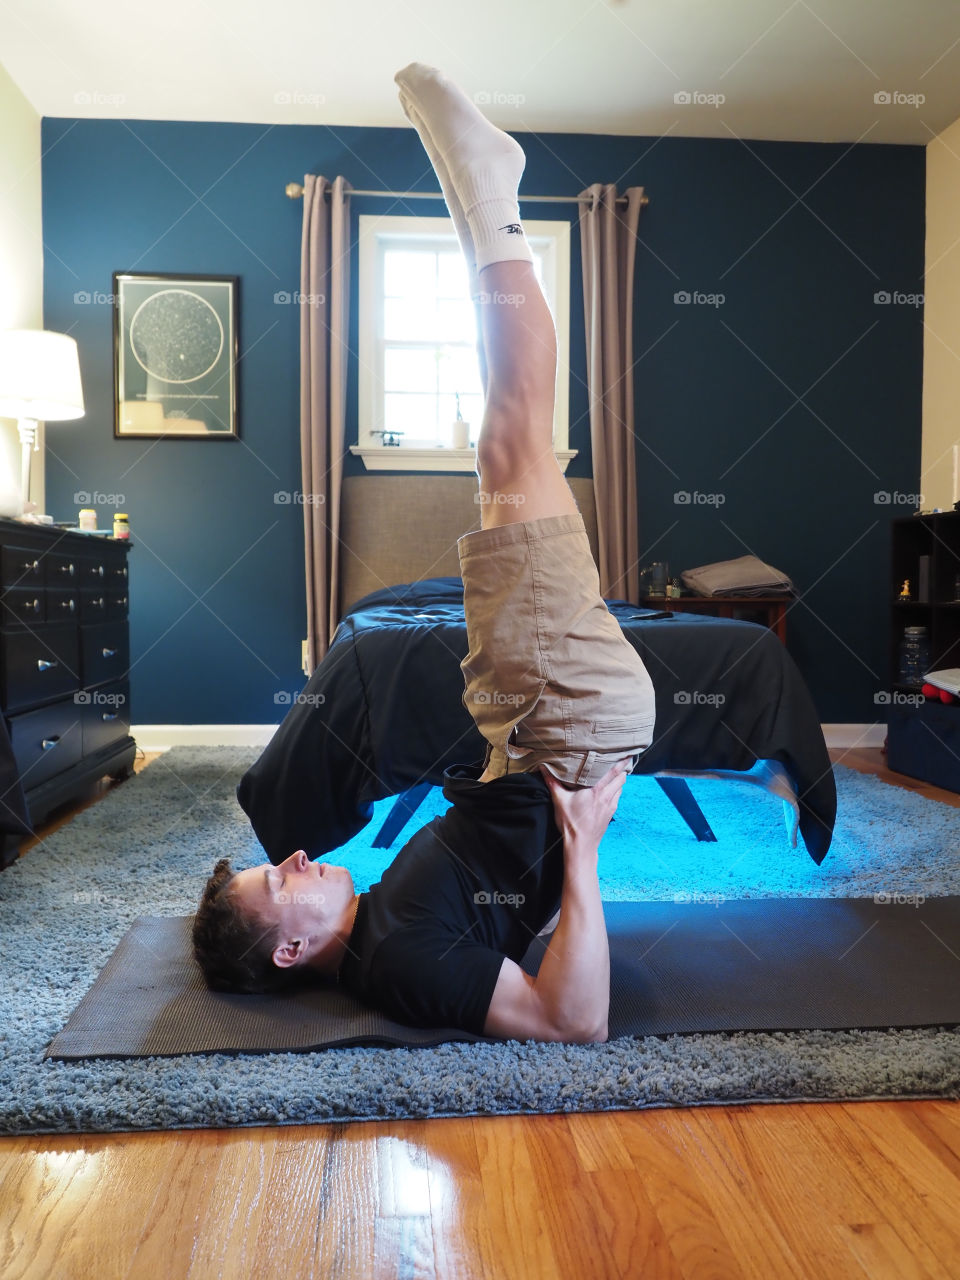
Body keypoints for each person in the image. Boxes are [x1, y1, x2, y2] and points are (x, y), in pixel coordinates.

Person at [192, 63, 657, 1043]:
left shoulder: (384, 924)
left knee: (506, 443)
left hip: (521, 725)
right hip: (557, 724)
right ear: (289, 947)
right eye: (279, 879)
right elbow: (573, 1023)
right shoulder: (398, 960)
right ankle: (486, 187)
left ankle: (479, 191)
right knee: (507, 442)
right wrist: (582, 853)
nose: (294, 856)